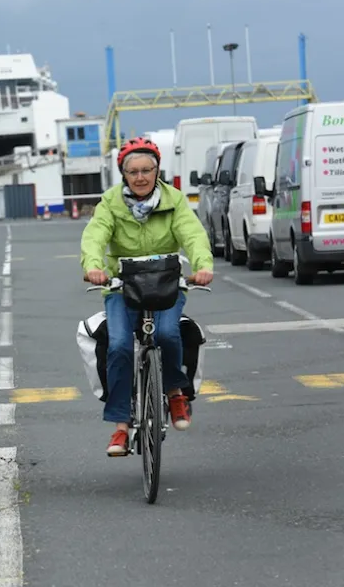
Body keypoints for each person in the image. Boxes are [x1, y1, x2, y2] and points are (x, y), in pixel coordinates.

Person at [80, 137, 214, 457]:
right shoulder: (110, 203)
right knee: (119, 345)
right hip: (121, 287)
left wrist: (203, 265)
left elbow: (192, 234)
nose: (140, 177)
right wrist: (94, 266)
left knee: (168, 333)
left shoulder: (175, 200)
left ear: (157, 170)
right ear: (123, 174)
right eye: (133, 171)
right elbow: (95, 235)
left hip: (166, 283)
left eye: (147, 170)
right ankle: (121, 427)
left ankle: (175, 393)